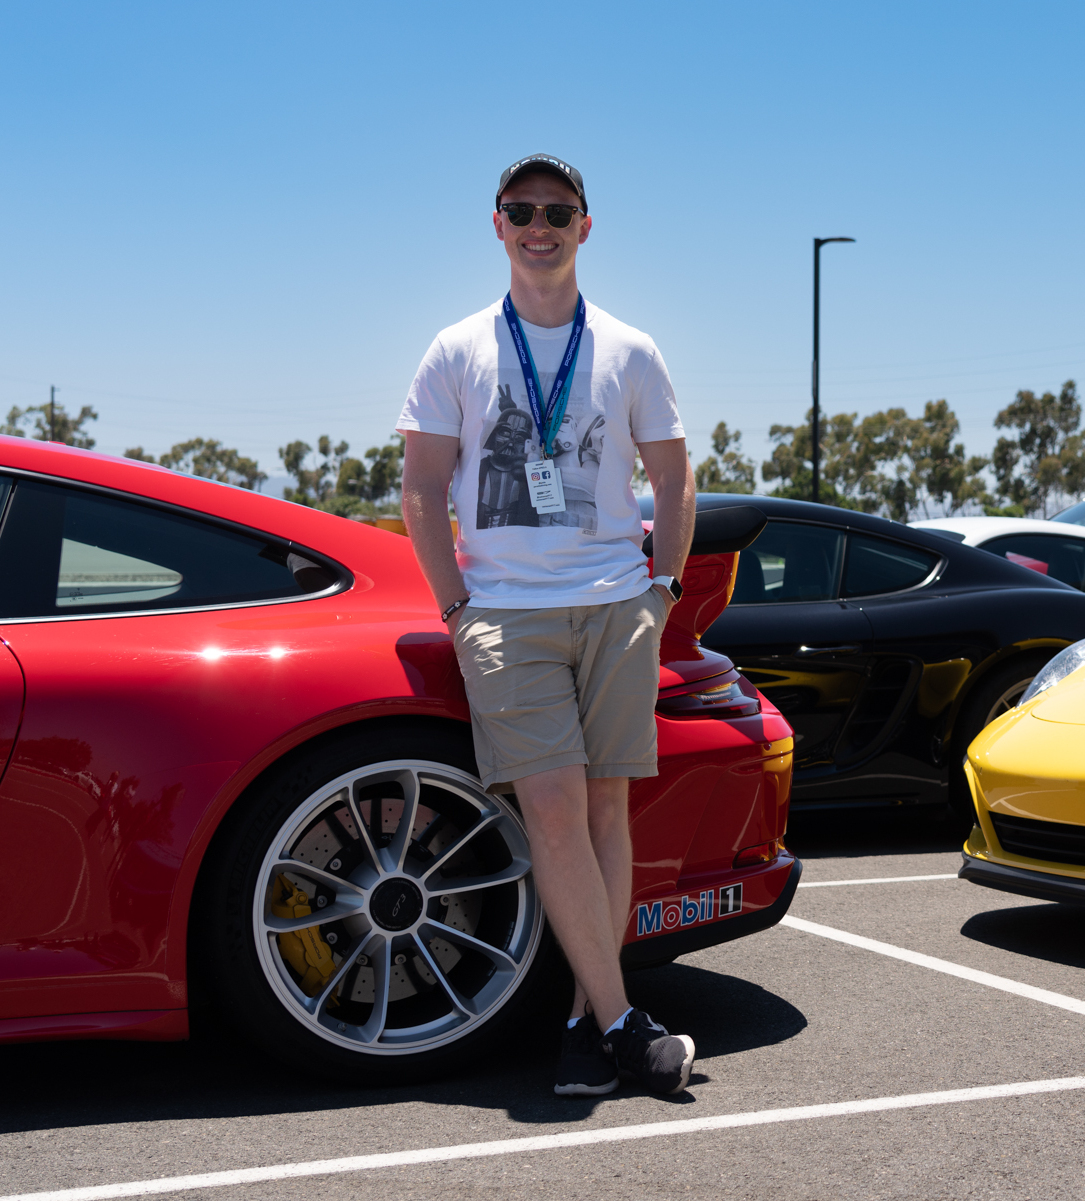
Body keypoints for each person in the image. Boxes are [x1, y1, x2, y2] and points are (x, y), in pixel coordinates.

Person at [396, 153, 698, 1096]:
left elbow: (675, 476)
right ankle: (622, 1020)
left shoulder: (631, 349)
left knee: (607, 811)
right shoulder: (455, 350)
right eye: (522, 210)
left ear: (584, 225)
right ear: (497, 225)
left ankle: (582, 1027)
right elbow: (420, 488)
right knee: (557, 812)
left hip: (616, 604)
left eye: (557, 210)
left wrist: (663, 592)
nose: (540, 224)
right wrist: (457, 607)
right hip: (507, 615)